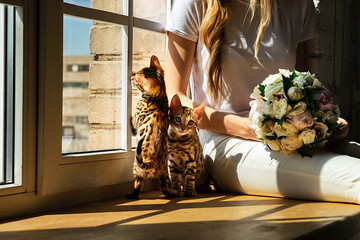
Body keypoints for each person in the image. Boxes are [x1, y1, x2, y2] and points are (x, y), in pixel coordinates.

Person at [164, 0, 360, 204]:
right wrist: (253, 129)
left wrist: (324, 125)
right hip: (226, 144)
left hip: (287, 140)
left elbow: (303, 87)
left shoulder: (299, 5)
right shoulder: (194, 3)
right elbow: (173, 96)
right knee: (356, 177)